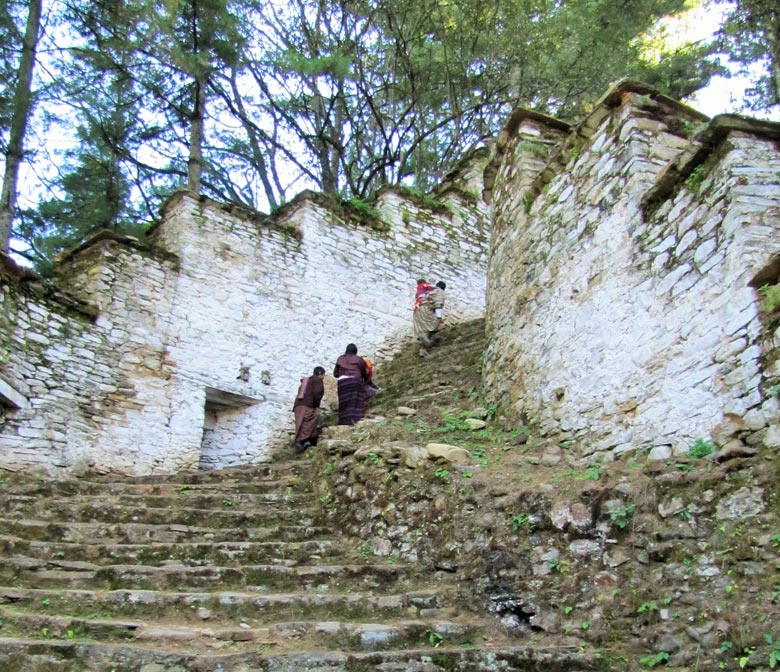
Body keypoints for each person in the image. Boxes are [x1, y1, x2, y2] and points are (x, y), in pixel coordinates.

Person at [333, 343, 369, 425]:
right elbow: (364, 372)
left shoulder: (340, 359)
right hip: (354, 381)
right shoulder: (358, 359)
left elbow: (335, 373)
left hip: (342, 383)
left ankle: (344, 421)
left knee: (344, 402)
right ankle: (356, 420)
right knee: (355, 401)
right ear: (355, 351)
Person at [292, 366, 326, 453]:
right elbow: (317, 393)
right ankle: (302, 440)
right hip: (308, 406)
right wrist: (316, 405)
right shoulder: (317, 380)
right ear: (320, 373)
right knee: (313, 418)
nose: (323, 377)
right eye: (323, 375)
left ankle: (304, 441)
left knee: (301, 423)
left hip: (298, 406)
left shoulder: (306, 381)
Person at [413, 280, 446, 357]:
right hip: (426, 310)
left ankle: (423, 350)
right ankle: (430, 342)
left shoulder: (429, 290)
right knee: (434, 326)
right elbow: (438, 304)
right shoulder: (440, 291)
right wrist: (439, 318)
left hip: (417, 310)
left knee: (424, 329)